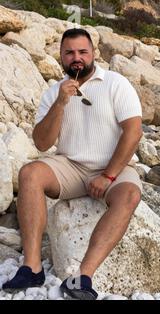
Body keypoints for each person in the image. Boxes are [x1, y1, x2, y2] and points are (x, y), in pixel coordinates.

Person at [1, 28, 143, 300]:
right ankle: (31, 267)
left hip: (114, 166)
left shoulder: (116, 83)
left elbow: (133, 133)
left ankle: (83, 277)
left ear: (93, 54)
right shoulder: (54, 92)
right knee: (30, 173)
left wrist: (109, 176)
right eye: (69, 53)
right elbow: (42, 143)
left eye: (82, 52)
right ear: (61, 57)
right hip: (71, 166)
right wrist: (61, 102)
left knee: (130, 195)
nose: (76, 58)